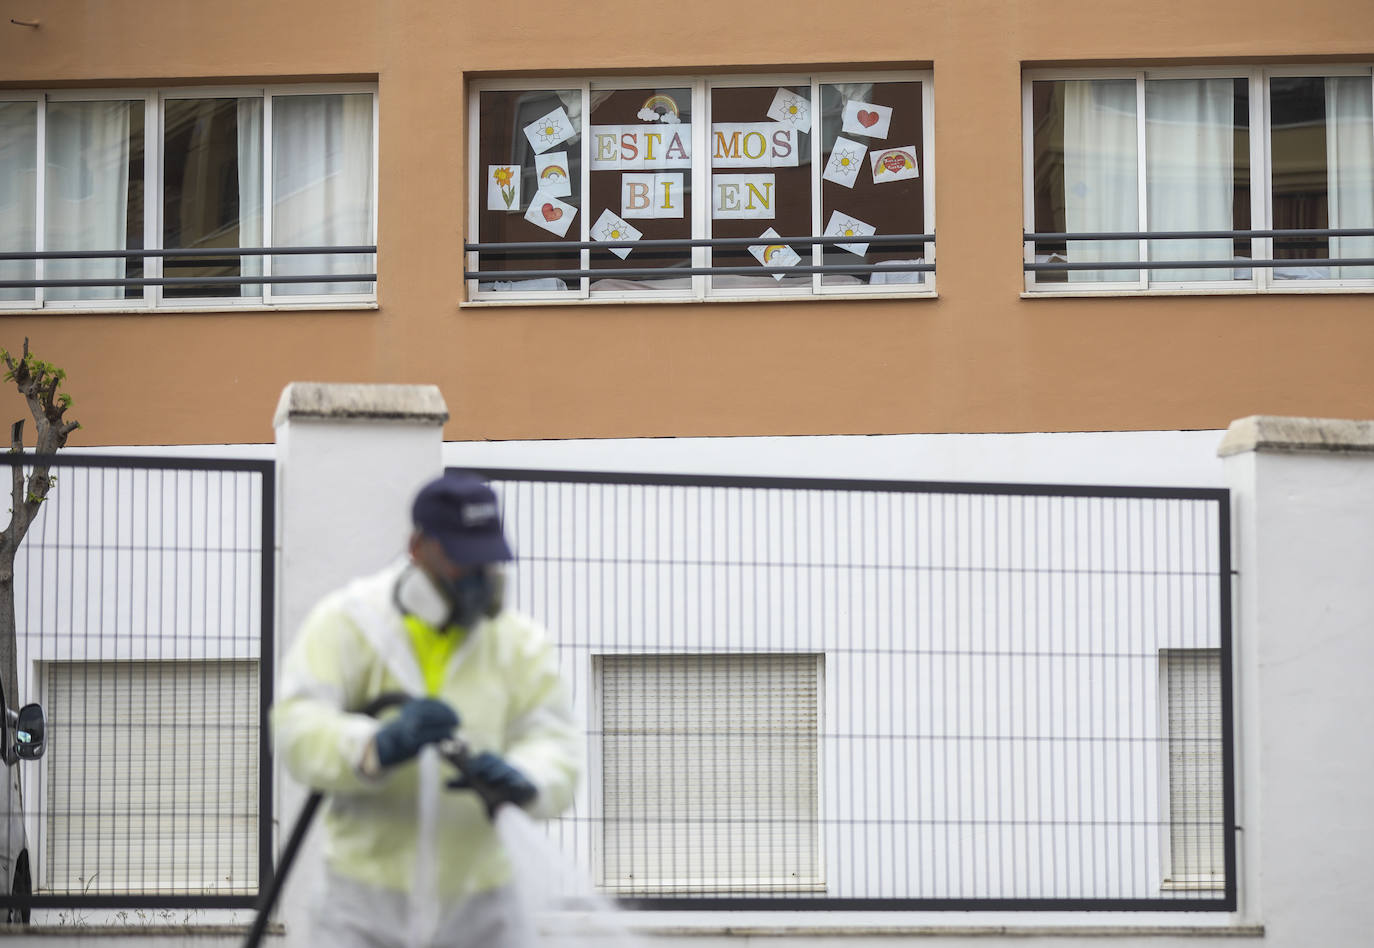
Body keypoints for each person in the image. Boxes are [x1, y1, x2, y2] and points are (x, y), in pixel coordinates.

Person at [272, 472, 582, 948]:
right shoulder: (352, 624)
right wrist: (372, 746)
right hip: (363, 907)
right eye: (463, 563)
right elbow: (295, 725)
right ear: (418, 548)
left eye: (488, 562)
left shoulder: (517, 643)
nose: (480, 579)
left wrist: (528, 778)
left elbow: (553, 738)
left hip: (482, 908)